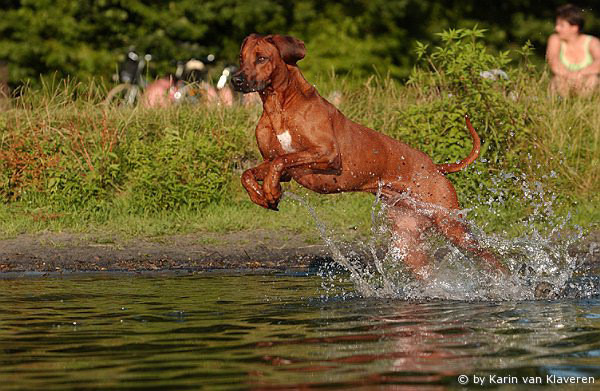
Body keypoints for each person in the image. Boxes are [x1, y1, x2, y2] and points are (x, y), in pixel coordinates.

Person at [546, 4, 600, 96]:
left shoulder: (592, 41)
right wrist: (570, 76)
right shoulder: (555, 39)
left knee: (593, 79)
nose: (557, 28)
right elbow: (553, 61)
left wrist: (579, 74)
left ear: (574, 28)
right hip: (564, 83)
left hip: (584, 83)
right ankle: (562, 106)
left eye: (561, 25)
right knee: (558, 80)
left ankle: (584, 106)